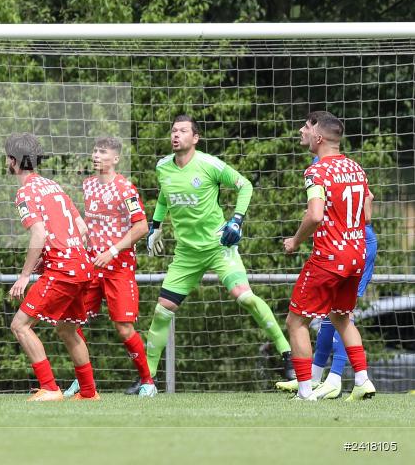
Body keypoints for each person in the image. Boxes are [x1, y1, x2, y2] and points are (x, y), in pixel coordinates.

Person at [142, 115, 293, 397]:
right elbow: (164, 194)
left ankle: (288, 356)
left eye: (183, 131)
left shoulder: (210, 164)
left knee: (245, 297)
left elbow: (245, 185)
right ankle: (147, 381)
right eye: (173, 130)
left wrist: (236, 220)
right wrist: (156, 225)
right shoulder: (163, 167)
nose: (176, 135)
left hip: (219, 247)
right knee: (162, 311)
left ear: (195, 138)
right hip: (187, 254)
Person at [282, 111, 376, 401]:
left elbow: (315, 214)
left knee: (295, 322)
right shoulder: (356, 168)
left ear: (319, 137)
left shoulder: (316, 172)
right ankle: (362, 380)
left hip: (329, 257)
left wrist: (296, 240)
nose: (301, 131)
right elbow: (368, 212)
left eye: (306, 127)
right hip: (357, 254)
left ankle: (305, 392)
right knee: (341, 317)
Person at [5, 133, 98, 401]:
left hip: (63, 269)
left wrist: (24, 276)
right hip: (82, 264)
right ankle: (89, 393)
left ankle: (49, 388)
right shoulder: (53, 185)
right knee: (68, 328)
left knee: (20, 325)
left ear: (12, 161)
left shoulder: (25, 193)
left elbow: (39, 233)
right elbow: (81, 228)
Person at [62, 137, 153, 397]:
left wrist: (112, 251)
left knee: (123, 327)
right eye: (94, 151)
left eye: (103, 152)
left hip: (119, 266)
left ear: (116, 159)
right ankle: (83, 379)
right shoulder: (88, 185)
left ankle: (147, 382)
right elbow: (89, 224)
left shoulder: (125, 189)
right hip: (92, 265)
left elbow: (141, 226)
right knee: (70, 320)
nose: (96, 155)